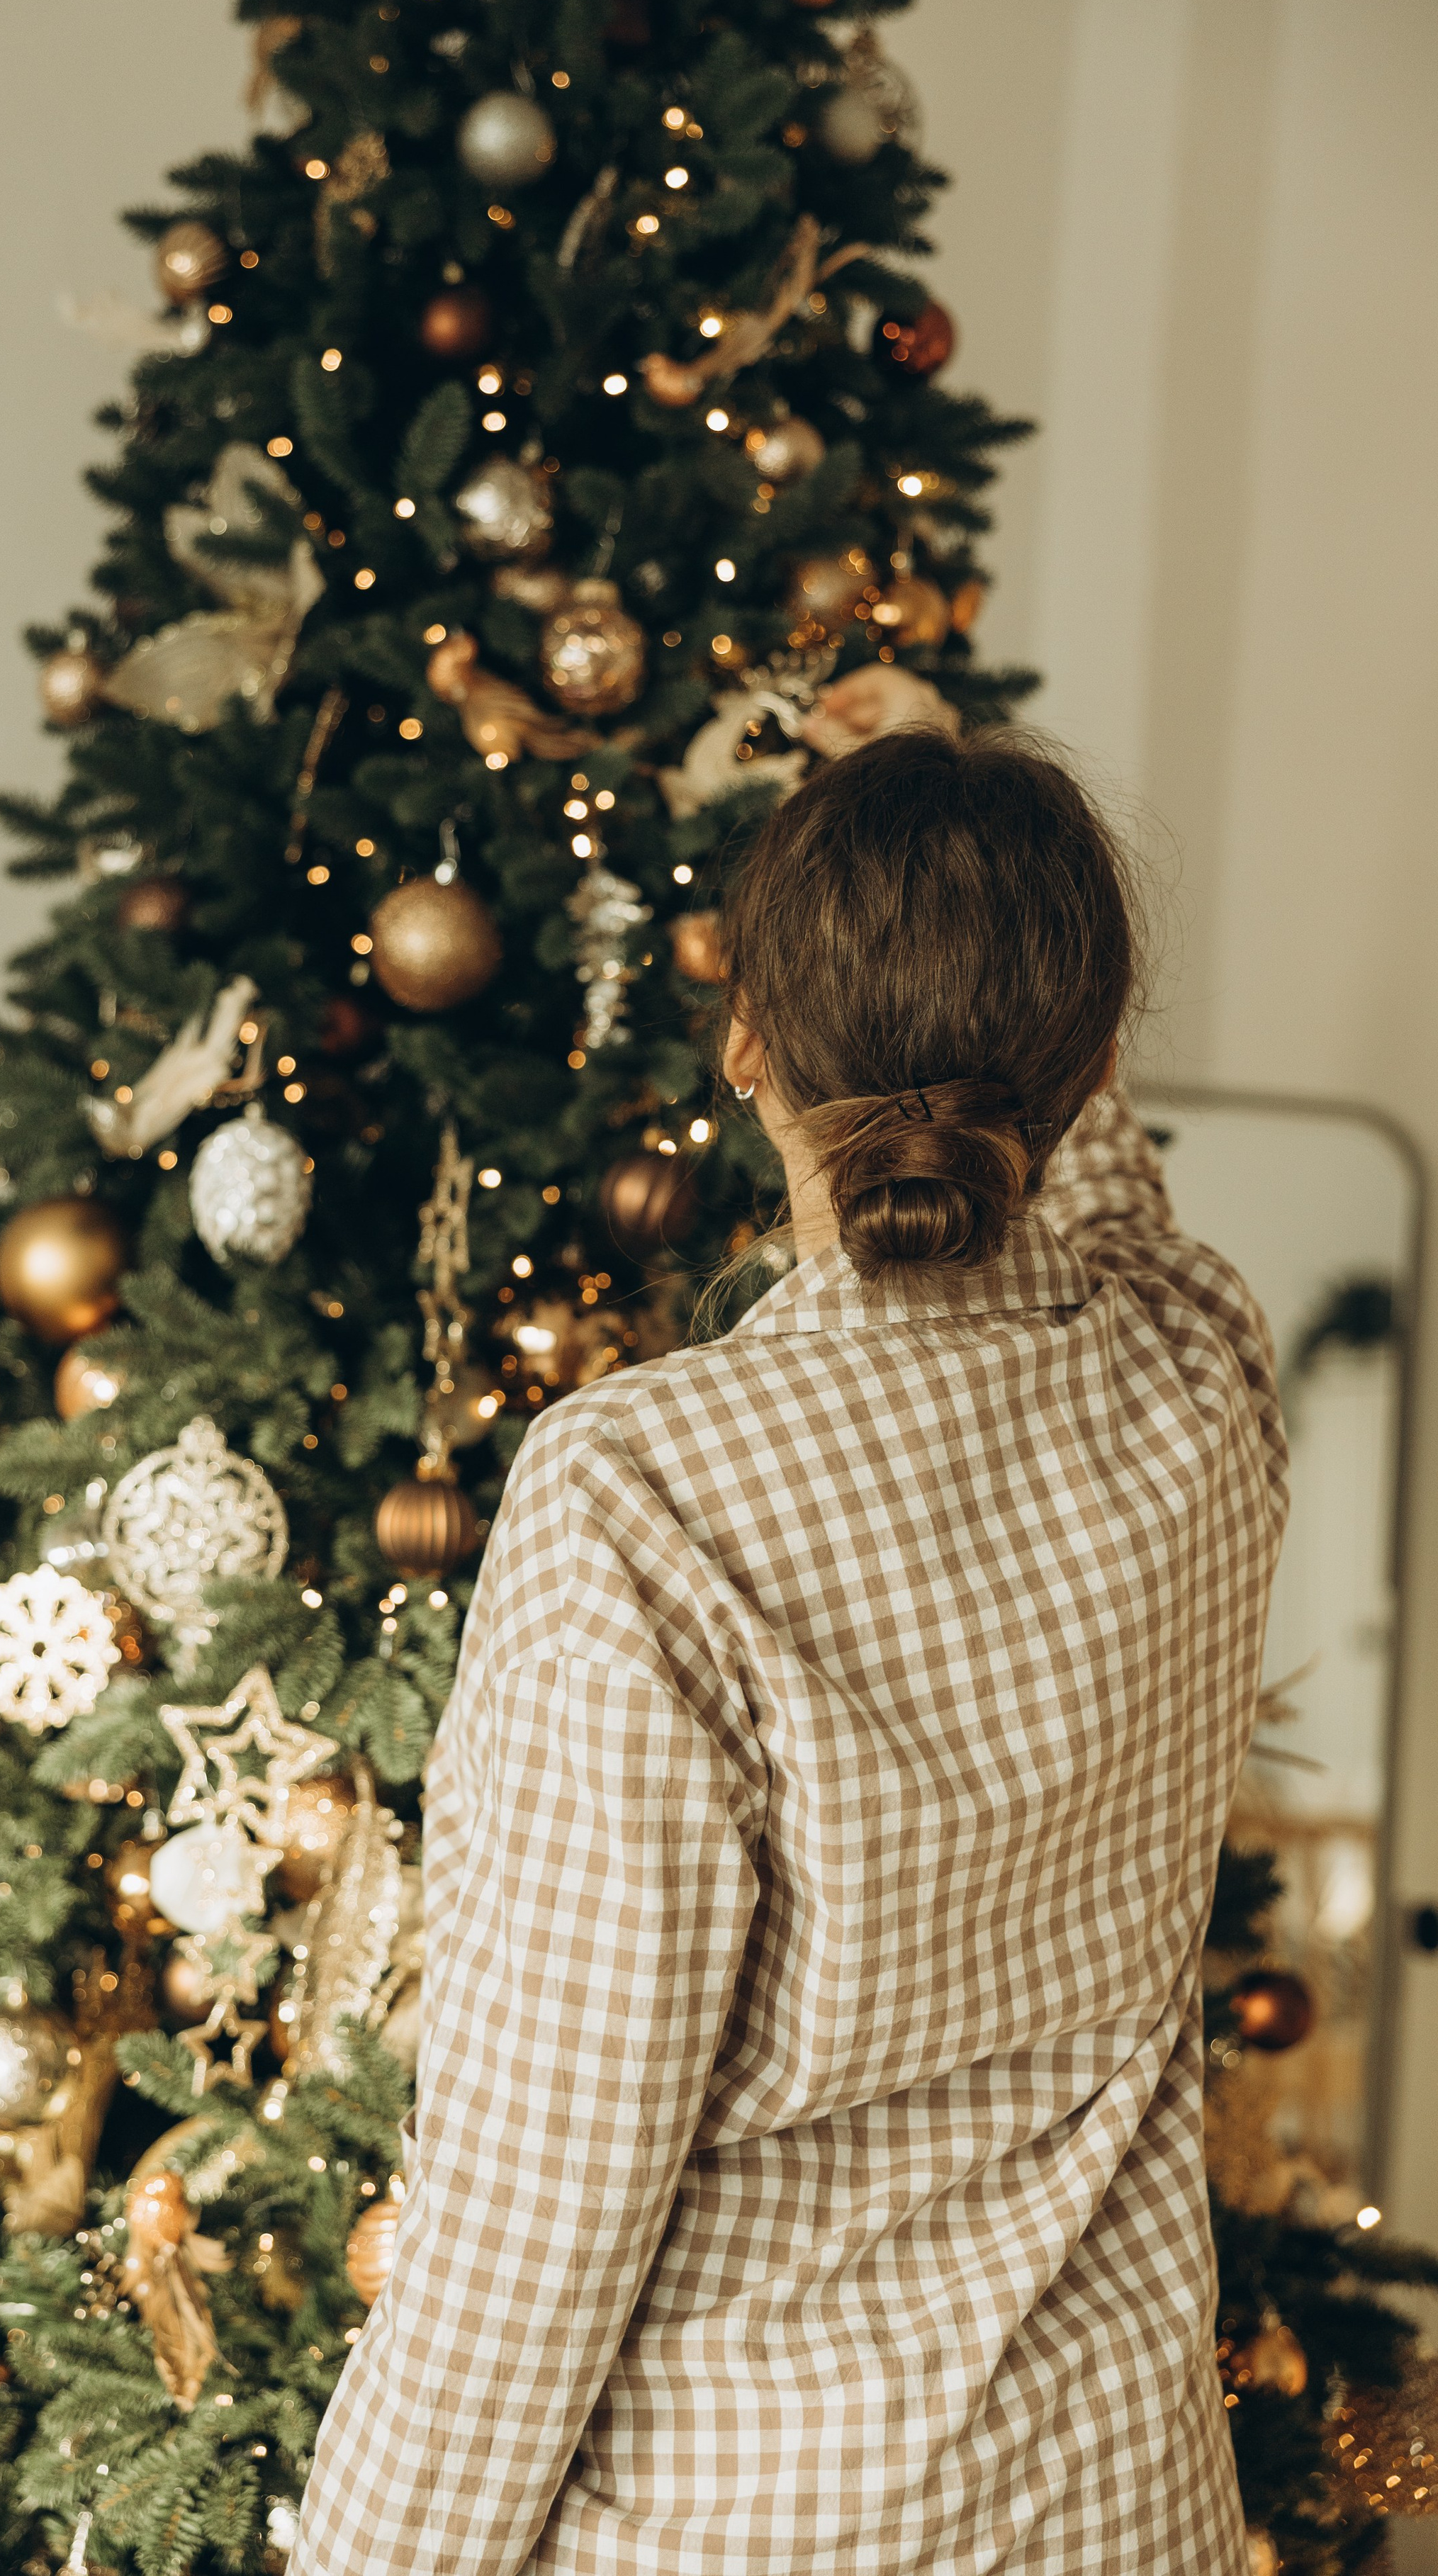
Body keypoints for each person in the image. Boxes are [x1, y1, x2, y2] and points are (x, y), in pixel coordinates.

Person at [293, 728, 1287, 2575]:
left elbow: (534, 2212)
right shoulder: (1200, 1370)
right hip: (1118, 2504)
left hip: (754, 2528)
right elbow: (1105, 1190)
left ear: (744, 1045)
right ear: (1100, 1055)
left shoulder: (647, 1496)